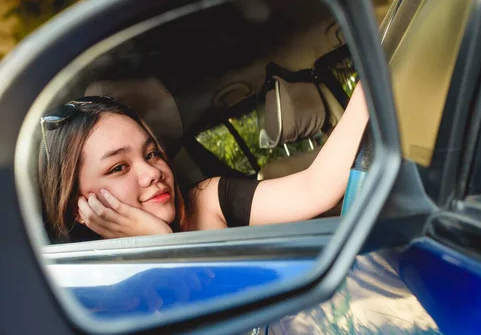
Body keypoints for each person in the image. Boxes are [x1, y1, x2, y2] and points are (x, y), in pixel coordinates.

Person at [38, 83, 369, 241]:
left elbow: (314, 189)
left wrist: (376, 80)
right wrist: (158, 243)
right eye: (118, 167)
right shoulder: (93, 290)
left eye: (151, 153)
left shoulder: (207, 199)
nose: (152, 172)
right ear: (77, 209)